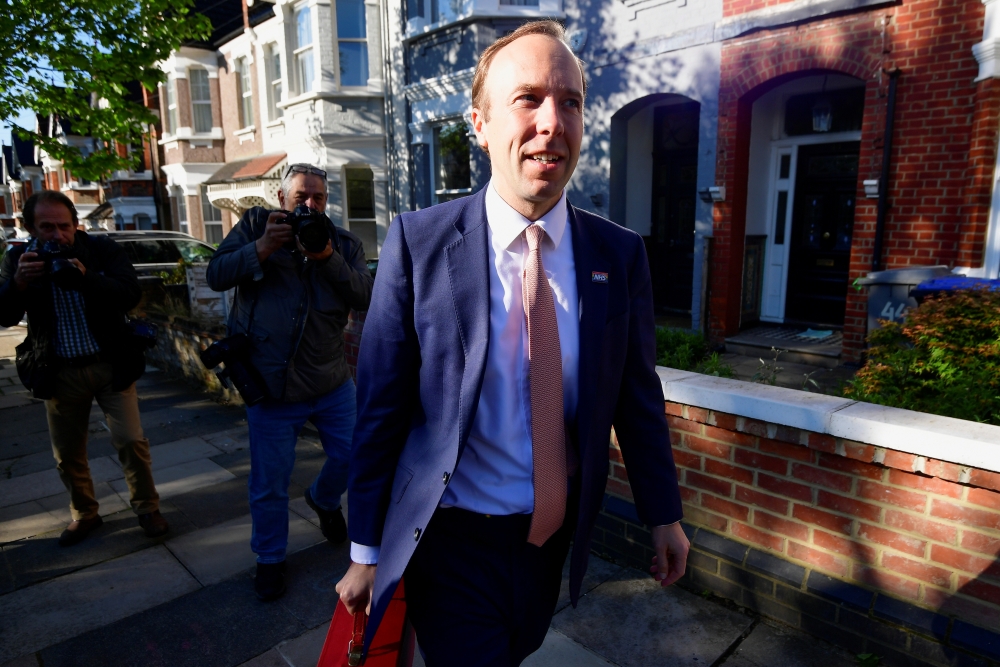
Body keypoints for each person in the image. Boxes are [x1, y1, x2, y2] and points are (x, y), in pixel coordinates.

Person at [336, 20, 690, 666]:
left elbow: (637, 398)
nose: (553, 121)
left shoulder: (619, 254)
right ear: (480, 123)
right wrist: (366, 551)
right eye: (528, 98)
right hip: (450, 541)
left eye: (571, 102)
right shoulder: (418, 245)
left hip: (549, 542)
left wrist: (663, 514)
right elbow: (380, 409)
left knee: (518, 646)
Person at [206, 163, 373, 601]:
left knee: (356, 456)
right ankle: (270, 560)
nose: (311, 205)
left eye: (318, 198)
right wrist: (260, 249)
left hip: (331, 381)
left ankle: (321, 497)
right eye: (302, 197)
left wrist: (327, 259)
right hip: (271, 387)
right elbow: (215, 274)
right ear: (282, 199)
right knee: (269, 482)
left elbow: (366, 296)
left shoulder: (344, 243)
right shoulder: (256, 227)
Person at [0, 191, 168, 546]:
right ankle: (85, 514)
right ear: (30, 227)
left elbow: (129, 294)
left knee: (131, 439)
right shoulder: (19, 258)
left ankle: (147, 507)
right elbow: (4, 315)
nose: (58, 235)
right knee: (68, 452)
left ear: (76, 224)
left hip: (110, 364)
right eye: (47, 227)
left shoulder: (101, 250)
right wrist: (18, 282)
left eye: (65, 226)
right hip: (59, 370)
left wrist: (86, 276)